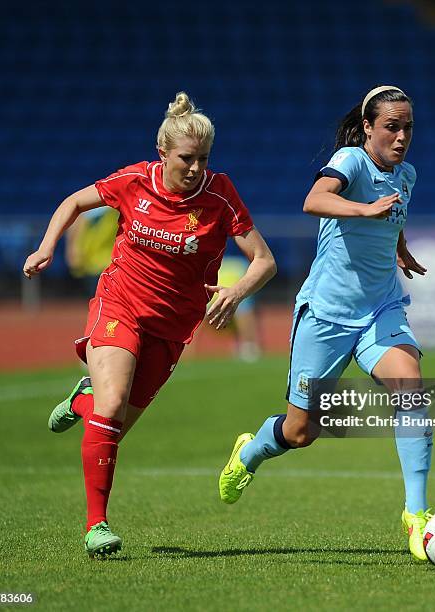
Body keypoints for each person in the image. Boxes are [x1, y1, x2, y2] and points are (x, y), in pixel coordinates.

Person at [23, 92, 276, 558]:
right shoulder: (136, 179)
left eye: (203, 158)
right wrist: (46, 247)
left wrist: (236, 292)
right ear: (163, 154)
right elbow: (74, 202)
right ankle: (96, 525)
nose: (196, 167)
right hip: (120, 304)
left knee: (113, 424)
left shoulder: (220, 195)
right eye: (187, 158)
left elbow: (264, 261)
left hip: (174, 326)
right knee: (114, 402)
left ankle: (83, 401)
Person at [218, 85, 433, 561]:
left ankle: (416, 515)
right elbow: (314, 200)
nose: (401, 137)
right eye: (392, 127)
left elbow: (389, 220)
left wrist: (400, 250)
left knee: (411, 388)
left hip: (381, 309)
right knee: (300, 433)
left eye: (408, 127)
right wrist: (362, 208)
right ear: (369, 128)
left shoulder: (408, 174)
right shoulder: (350, 161)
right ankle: (250, 452)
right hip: (327, 316)